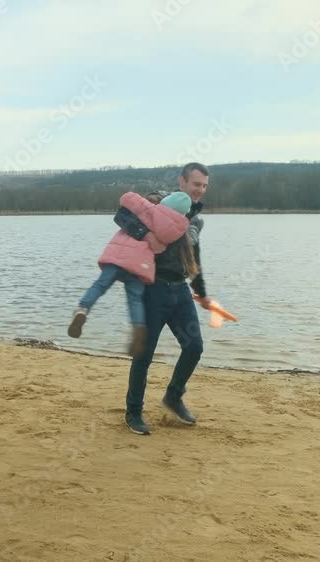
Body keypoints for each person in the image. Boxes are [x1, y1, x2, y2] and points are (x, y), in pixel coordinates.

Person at [112, 162, 212, 435]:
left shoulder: (197, 219)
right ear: (182, 182)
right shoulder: (157, 201)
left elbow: (194, 258)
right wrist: (147, 235)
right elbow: (121, 215)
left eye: (204, 186)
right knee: (143, 355)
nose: (200, 190)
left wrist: (201, 292)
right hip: (152, 289)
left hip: (180, 291)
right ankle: (133, 412)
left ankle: (173, 397)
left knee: (194, 347)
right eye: (196, 184)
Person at [69, 191, 194, 356]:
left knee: (100, 285)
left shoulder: (143, 210)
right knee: (135, 299)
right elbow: (162, 247)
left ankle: (82, 309)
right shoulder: (169, 228)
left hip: (118, 257)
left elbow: (126, 200)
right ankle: (138, 327)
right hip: (139, 265)